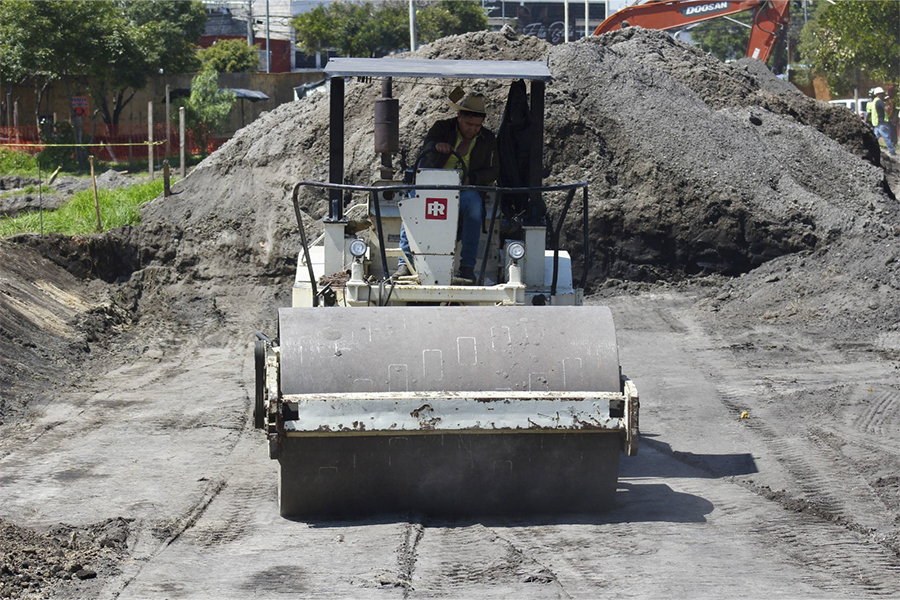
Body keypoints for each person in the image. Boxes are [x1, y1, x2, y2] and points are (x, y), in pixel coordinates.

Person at [395, 89, 499, 282]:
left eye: (478, 125)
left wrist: (472, 179)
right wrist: (436, 147)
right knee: (410, 200)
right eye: (469, 124)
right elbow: (427, 147)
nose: (473, 129)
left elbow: (494, 171)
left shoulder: (488, 139)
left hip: (464, 189)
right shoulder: (441, 127)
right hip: (432, 184)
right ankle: (405, 262)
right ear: (459, 117)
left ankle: (467, 266)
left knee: (475, 207)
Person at [867, 87, 896, 156]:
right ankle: (892, 152)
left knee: (875, 138)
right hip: (882, 123)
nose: (883, 95)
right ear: (879, 94)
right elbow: (886, 109)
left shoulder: (874, 101)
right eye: (882, 94)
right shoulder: (879, 101)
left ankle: (871, 150)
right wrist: (889, 104)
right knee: (887, 138)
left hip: (876, 123)